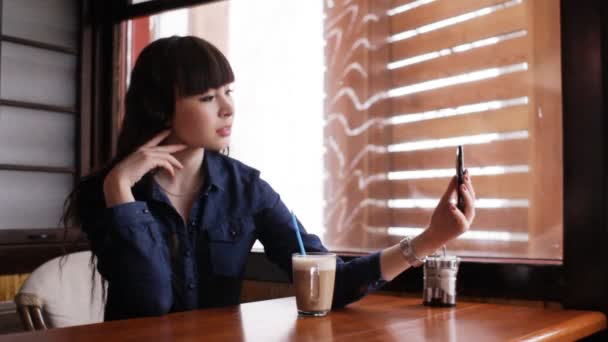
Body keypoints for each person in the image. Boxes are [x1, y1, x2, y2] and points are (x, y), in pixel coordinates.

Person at [62, 36, 476, 321]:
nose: (227, 108)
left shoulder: (247, 189)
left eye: (229, 91)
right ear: (159, 107)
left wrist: (430, 238)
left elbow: (331, 282)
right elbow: (150, 302)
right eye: (207, 97)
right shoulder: (107, 193)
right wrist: (120, 192)